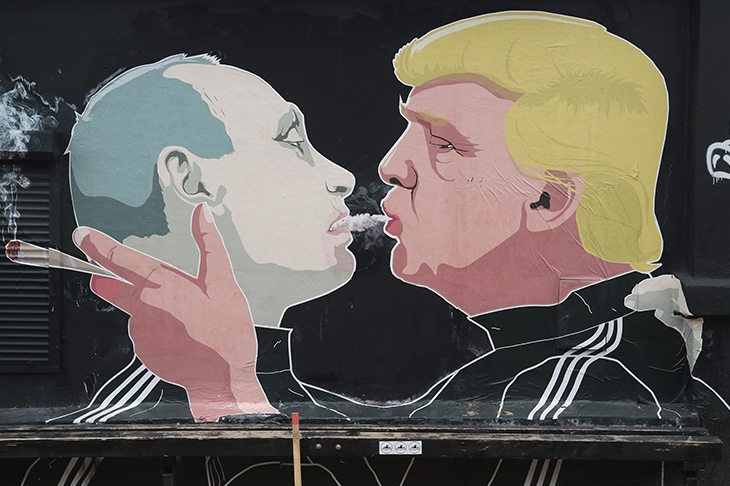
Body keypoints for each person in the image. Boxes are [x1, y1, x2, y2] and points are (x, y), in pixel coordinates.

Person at [57, 54, 356, 423]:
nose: (343, 178)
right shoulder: (115, 438)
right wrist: (225, 384)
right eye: (291, 139)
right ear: (190, 179)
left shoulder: (327, 418)